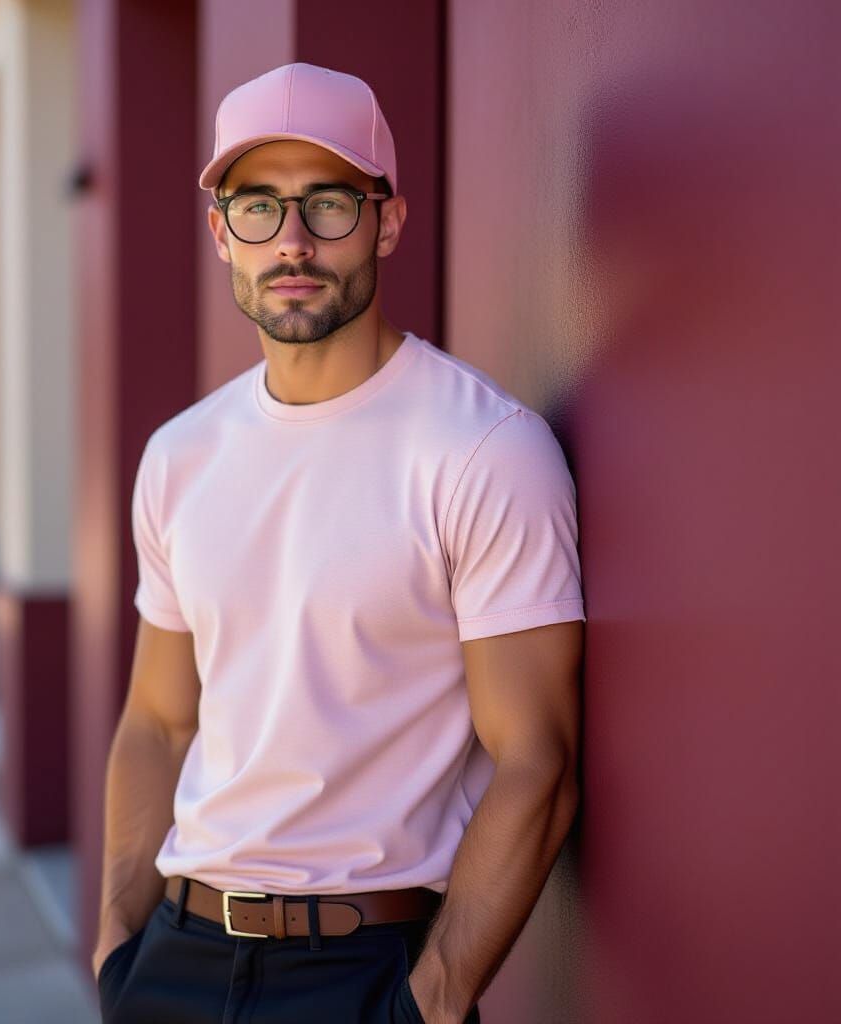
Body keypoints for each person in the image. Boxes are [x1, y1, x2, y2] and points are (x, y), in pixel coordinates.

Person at [92, 61, 586, 1024]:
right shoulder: (179, 456)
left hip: (364, 974)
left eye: (327, 203)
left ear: (387, 220)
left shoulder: (483, 449)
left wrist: (432, 1003)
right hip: (173, 965)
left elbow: (536, 758)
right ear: (220, 233)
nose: (291, 242)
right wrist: (119, 948)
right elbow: (156, 720)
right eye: (256, 207)